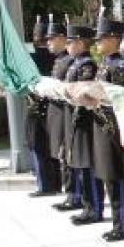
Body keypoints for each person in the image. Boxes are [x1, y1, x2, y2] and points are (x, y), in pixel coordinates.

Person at [93, 18, 124, 241]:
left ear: (114, 40)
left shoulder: (120, 64)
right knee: (109, 175)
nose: (98, 42)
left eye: (102, 38)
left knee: (118, 176)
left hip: (114, 126)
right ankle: (118, 222)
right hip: (103, 126)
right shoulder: (106, 62)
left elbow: (119, 96)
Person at [63, 24, 103, 226]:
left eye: (70, 41)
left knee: (88, 165)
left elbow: (83, 92)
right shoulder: (75, 63)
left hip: (85, 121)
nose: (67, 45)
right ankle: (88, 206)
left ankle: (94, 208)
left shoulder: (87, 66)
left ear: (80, 42)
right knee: (80, 164)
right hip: (75, 118)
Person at [47, 17, 80, 212]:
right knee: (63, 155)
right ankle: (71, 193)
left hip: (66, 111)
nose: (49, 43)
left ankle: (74, 194)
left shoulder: (70, 61)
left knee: (68, 154)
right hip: (58, 112)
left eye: (52, 38)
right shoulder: (60, 60)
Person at [26, 15, 60, 197]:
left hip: (37, 107)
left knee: (37, 146)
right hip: (53, 108)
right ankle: (56, 183)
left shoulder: (30, 58)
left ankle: (44, 185)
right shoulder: (56, 57)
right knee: (52, 147)